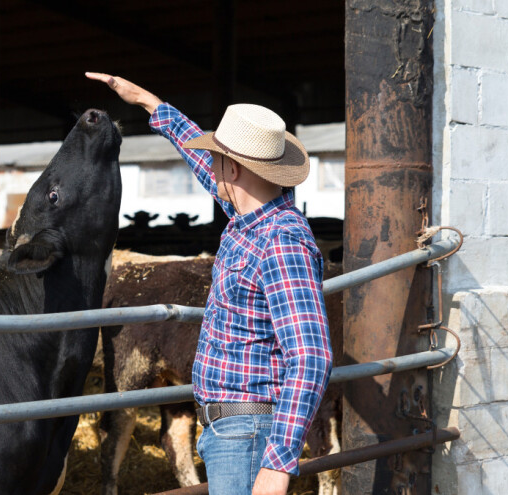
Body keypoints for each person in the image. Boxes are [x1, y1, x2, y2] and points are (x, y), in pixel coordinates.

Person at [86, 72, 333, 495]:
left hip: (250, 433)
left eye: (218, 159)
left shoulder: (281, 241)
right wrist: (149, 103)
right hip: (229, 428)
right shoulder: (249, 216)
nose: (211, 166)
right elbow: (203, 162)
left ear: (233, 168)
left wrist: (279, 460)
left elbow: (311, 355)